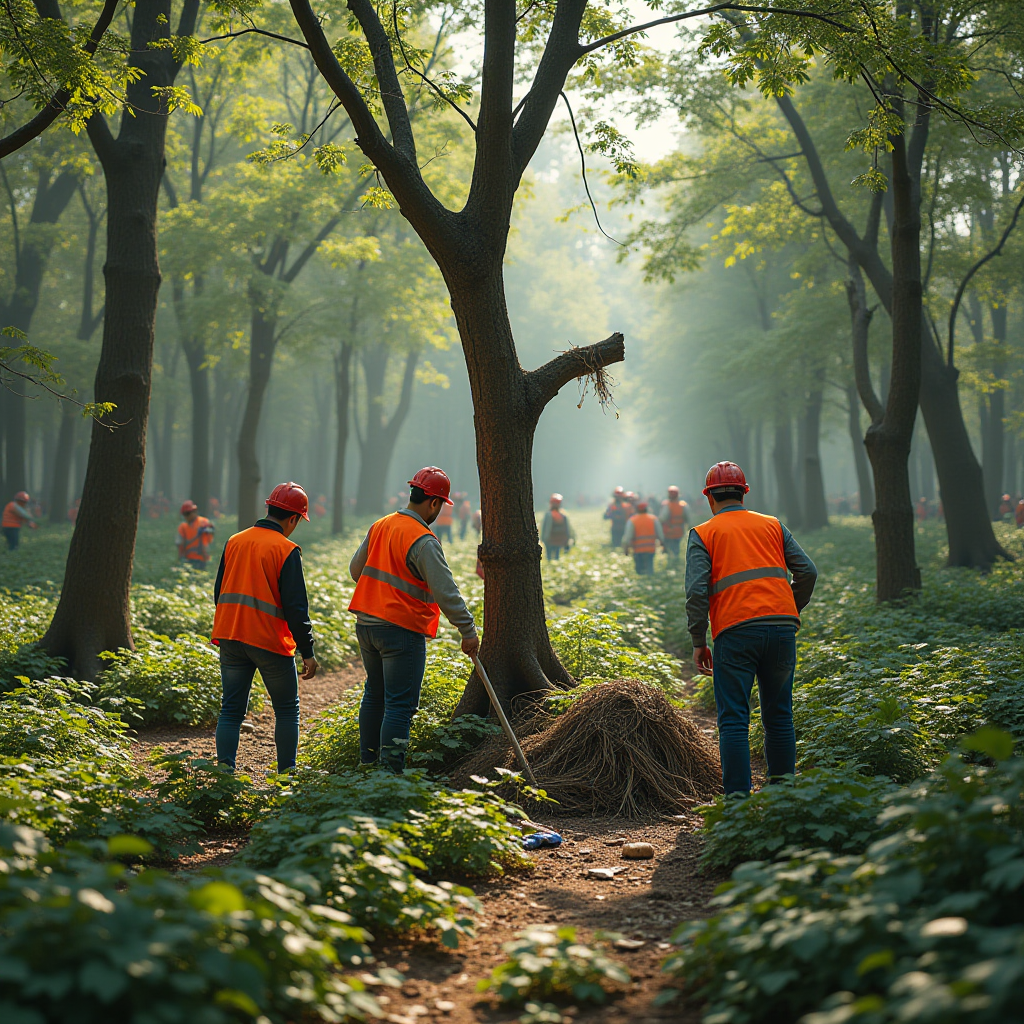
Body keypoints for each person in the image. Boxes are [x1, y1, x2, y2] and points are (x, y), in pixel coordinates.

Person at [685, 461, 817, 796]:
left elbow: (697, 591)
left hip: (735, 632)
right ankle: (783, 796)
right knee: (779, 716)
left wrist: (699, 640)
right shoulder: (773, 525)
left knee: (733, 721)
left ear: (710, 498)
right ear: (744, 493)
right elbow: (808, 572)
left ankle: (738, 805)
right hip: (782, 630)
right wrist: (789, 607)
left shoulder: (704, 533)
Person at [348, 466, 479, 772]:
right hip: (401, 631)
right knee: (399, 706)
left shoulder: (380, 525)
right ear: (433, 503)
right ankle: (390, 776)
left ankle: (367, 765)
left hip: (366, 625)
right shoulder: (424, 540)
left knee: (374, 695)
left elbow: (356, 571)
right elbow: (446, 592)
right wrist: (467, 630)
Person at [212, 482, 318, 773]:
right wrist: (307, 651)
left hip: (230, 635)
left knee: (231, 709)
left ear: (268, 508)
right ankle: (286, 776)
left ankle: (224, 775)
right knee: (286, 709)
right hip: (269, 640)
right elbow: (297, 608)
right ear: (294, 518)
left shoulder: (235, 540)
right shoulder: (286, 549)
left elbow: (218, 592)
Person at [623, 500, 663, 574]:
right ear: (646, 509)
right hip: (650, 549)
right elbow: (660, 534)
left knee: (639, 570)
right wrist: (663, 544)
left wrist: (626, 548)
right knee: (649, 568)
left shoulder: (632, 520)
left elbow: (627, 537)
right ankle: (650, 582)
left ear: (636, 509)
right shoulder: (654, 519)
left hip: (638, 549)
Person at [177, 500, 215, 567]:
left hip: (202, 558)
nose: (187, 517)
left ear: (194, 512)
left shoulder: (204, 522)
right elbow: (180, 544)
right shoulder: (183, 527)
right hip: (188, 559)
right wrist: (181, 558)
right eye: (185, 514)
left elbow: (210, 538)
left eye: (188, 514)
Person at [540, 493, 575, 560]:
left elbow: (566, 529)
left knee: (554, 556)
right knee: (552, 556)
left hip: (556, 540)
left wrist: (567, 539)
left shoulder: (562, 516)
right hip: (551, 540)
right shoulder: (551, 515)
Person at [660, 485, 688, 558]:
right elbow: (688, 519)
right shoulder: (683, 505)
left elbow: (662, 518)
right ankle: (676, 563)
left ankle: (671, 565)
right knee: (676, 551)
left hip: (668, 532)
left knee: (669, 552)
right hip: (679, 532)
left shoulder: (667, 505)